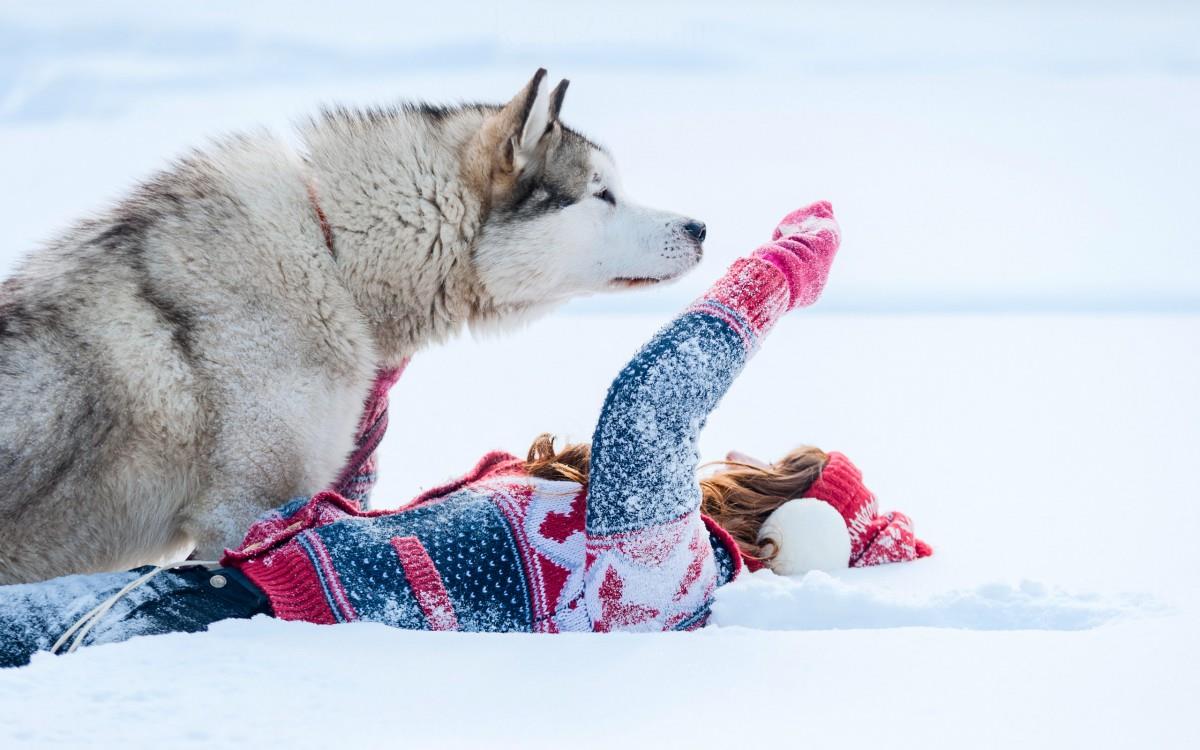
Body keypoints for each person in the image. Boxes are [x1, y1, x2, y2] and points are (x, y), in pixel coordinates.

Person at [0, 202, 929, 668]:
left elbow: (651, 407)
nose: (744, 460)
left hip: (226, 631)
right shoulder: (612, 542)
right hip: (227, 603)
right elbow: (348, 541)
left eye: (775, 467)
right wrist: (377, 376)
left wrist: (779, 275)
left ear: (783, 515)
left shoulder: (665, 569)